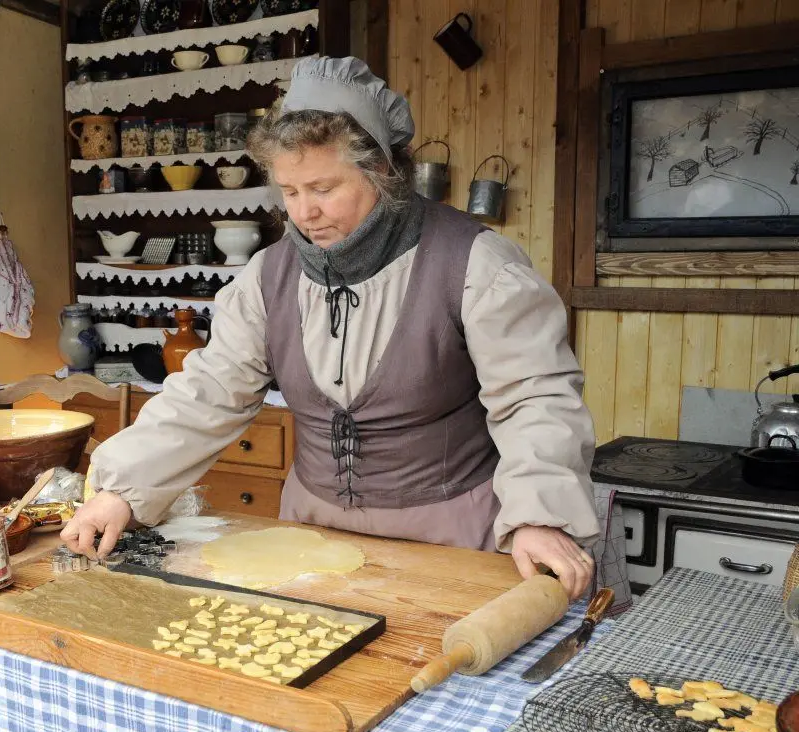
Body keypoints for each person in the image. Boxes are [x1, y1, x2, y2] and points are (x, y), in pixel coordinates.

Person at [62, 56, 600, 600]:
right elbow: (209, 393)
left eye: (323, 188)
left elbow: (535, 397)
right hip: (309, 537)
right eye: (289, 192)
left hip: (449, 537)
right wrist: (122, 490)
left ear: (382, 172)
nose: (304, 213)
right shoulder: (267, 278)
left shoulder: (476, 266)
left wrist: (540, 515)